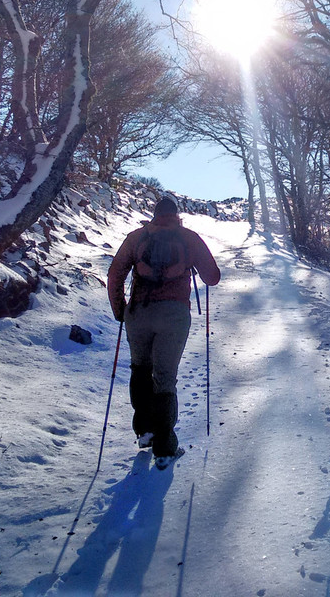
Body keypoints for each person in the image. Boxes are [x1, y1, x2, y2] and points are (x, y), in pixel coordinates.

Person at [107, 194, 220, 468]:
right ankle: (165, 447)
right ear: (177, 215)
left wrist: (121, 310)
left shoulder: (137, 237)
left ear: (154, 214)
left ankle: (145, 431)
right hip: (173, 314)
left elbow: (114, 275)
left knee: (140, 369)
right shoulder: (188, 237)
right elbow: (212, 277)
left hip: (139, 313)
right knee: (165, 378)